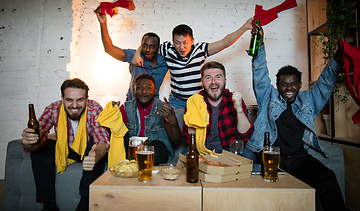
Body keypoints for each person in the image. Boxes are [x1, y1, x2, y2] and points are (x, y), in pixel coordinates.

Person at [246, 23, 347, 210]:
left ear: (300, 85)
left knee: (327, 177)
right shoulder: (268, 97)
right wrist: (259, 44)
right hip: (271, 158)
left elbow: (325, 82)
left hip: (299, 159)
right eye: (284, 84)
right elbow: (260, 74)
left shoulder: (308, 100)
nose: (289, 88)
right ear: (277, 85)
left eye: (293, 84)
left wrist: (337, 60)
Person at [22, 78, 110, 211]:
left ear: (87, 99)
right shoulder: (53, 108)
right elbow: (38, 137)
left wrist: (96, 154)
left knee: (94, 146)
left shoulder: (94, 108)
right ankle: (48, 204)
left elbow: (102, 140)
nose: (74, 105)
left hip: (88, 150)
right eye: (69, 100)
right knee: (41, 150)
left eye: (80, 100)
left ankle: (85, 201)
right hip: (65, 150)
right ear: (62, 98)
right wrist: (30, 141)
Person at [132, 18, 254, 109]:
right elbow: (148, 46)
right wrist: (137, 54)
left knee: (199, 133)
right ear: (173, 42)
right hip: (177, 101)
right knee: (176, 133)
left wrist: (245, 27)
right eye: (178, 43)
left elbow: (225, 42)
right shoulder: (166, 49)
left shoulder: (200, 50)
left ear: (192, 41)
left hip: (198, 100)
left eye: (185, 42)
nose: (181, 47)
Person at [181, 61, 255, 161]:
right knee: (182, 162)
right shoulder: (195, 101)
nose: (213, 81)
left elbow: (246, 135)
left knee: (250, 157)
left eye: (218, 77)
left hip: (228, 150)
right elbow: (188, 139)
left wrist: (239, 110)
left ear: (225, 80)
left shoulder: (234, 99)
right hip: (201, 150)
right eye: (208, 77)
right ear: (202, 81)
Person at [96, 10, 168, 100]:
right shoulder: (134, 56)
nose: (148, 50)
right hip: (132, 104)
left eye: (152, 47)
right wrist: (103, 24)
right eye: (145, 46)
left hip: (153, 105)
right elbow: (109, 49)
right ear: (141, 46)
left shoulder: (164, 63)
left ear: (158, 48)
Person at [117, 73, 181, 165]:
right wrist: (112, 114)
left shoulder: (163, 108)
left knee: (157, 146)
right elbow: (117, 138)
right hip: (133, 152)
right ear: (134, 90)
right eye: (139, 88)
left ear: (155, 91)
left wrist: (174, 123)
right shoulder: (125, 108)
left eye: (148, 88)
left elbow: (176, 143)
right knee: (125, 143)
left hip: (156, 153)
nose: (144, 91)